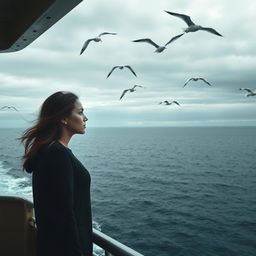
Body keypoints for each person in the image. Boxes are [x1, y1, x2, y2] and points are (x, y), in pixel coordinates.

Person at [19, 91, 92, 256]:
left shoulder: (49, 151)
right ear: (63, 118)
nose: (85, 118)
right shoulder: (57, 155)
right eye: (80, 112)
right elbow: (63, 216)